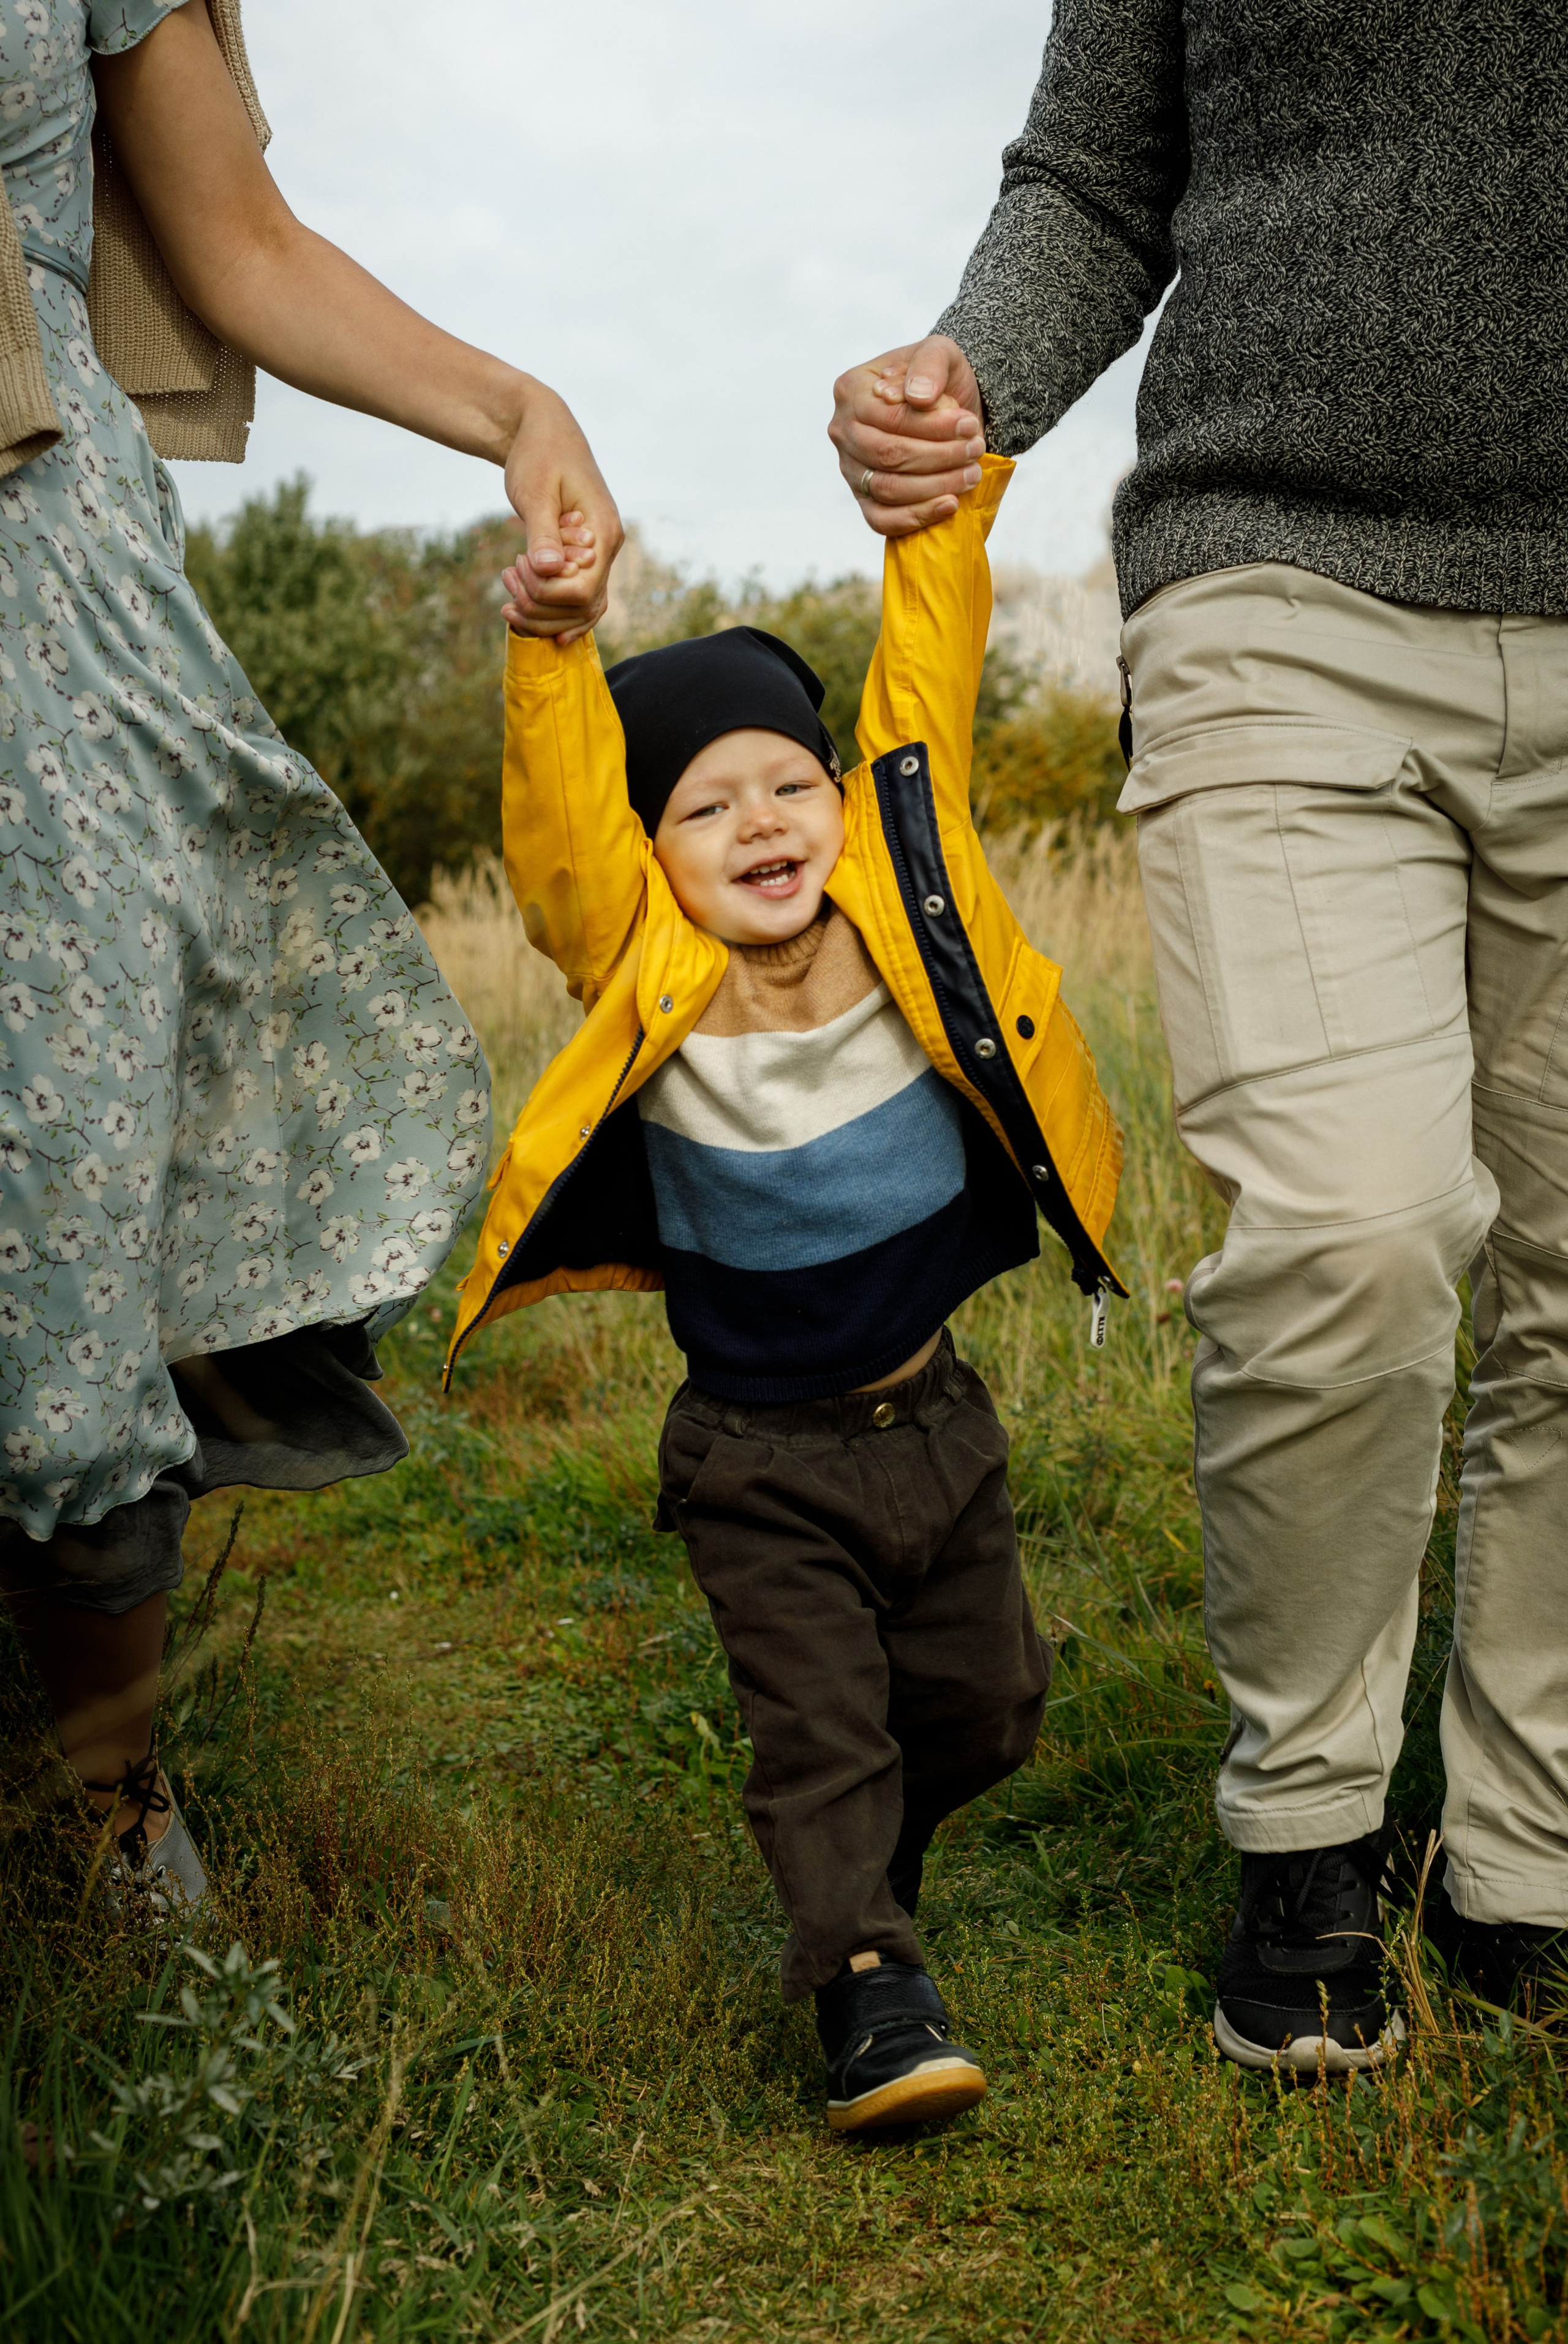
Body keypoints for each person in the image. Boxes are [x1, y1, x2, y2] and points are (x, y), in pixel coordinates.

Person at [829, 0, 1568, 2070]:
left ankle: (1531, 1857)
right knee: (1356, 1221)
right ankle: (1314, 1826)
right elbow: (1092, 173)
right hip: (1280, 577)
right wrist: (970, 372)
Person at [0, 0, 621, 1919]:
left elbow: (236, 239)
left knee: (69, 1196)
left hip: (36, 568)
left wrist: (518, 410)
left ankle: (104, 1793)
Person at [445, 455, 1122, 2128]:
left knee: (987, 1710)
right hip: (759, 1456)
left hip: (937, 1419)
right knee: (823, 1733)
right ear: (650, 854)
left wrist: (943, 516)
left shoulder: (909, 904)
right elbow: (557, 826)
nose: (760, 822)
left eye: (787, 783)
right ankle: (870, 1992)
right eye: (704, 804)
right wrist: (555, 651)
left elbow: (926, 692)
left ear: (839, 795)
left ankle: (860, 1878)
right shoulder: (650, 967)